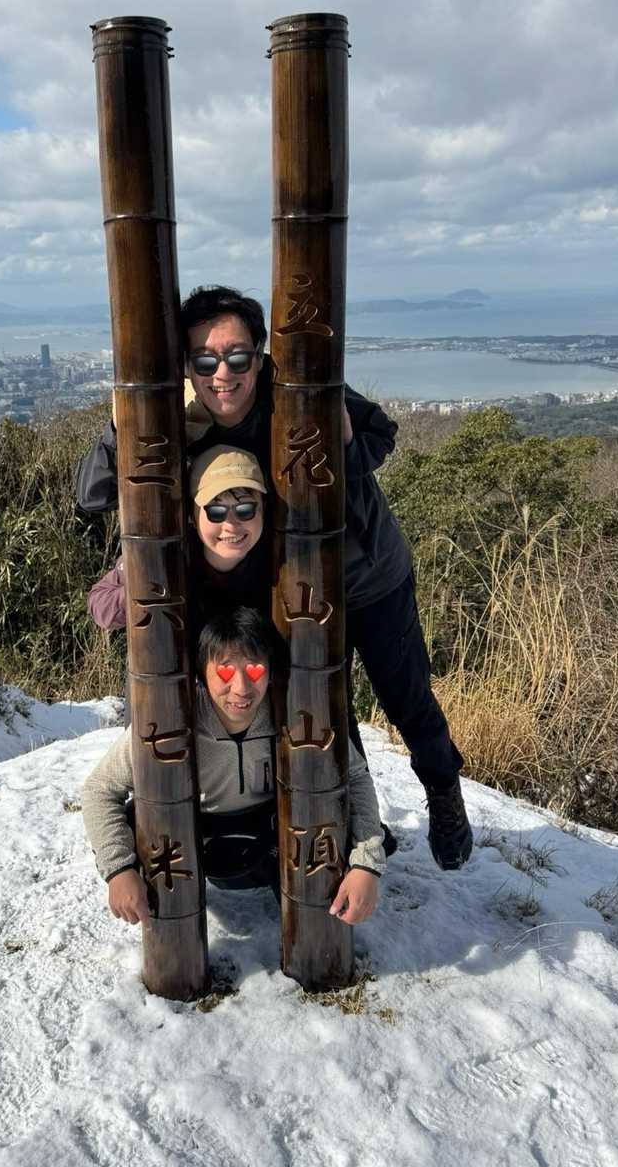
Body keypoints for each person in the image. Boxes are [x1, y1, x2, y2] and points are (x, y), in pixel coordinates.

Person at [76, 284, 473, 872]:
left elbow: (380, 434)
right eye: (204, 360)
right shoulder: (177, 419)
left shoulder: (301, 390)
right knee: (320, 705)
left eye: (238, 357)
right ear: (186, 365)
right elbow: (94, 494)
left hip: (366, 574)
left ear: (261, 355)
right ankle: (354, 819)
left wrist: (339, 448)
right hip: (287, 589)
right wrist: (121, 429)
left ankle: (442, 789)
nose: (223, 374)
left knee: (406, 696)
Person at [81, 607, 387, 925]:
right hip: (190, 835)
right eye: (225, 672)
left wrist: (366, 863)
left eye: (255, 670)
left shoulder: (297, 712)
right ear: (202, 673)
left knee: (329, 814)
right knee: (146, 821)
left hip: (272, 832)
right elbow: (99, 790)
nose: (241, 688)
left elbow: (354, 776)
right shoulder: (169, 719)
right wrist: (119, 869)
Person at [87, 445, 269, 637]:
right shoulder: (166, 552)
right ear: (192, 516)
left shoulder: (278, 558)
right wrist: (143, 589)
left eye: (245, 509)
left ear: (263, 509)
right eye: (216, 512)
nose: (230, 525)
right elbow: (99, 604)